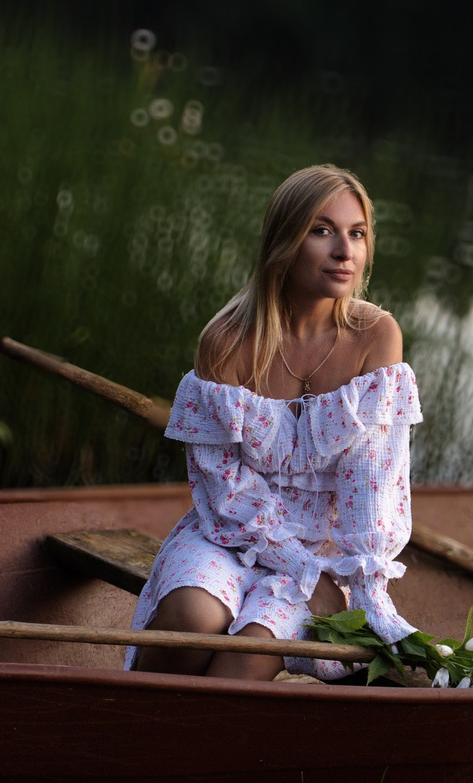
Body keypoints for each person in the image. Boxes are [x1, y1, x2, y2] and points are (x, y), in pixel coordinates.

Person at [129, 164, 420, 680]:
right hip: (230, 532)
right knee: (192, 619)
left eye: (357, 234)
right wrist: (297, 564)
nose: (344, 252)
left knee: (249, 657)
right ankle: (119, 720)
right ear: (284, 241)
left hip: (325, 556)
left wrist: (364, 593)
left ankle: (190, 754)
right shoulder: (226, 341)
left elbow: (372, 486)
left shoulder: (376, 337)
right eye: (322, 230)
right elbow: (223, 489)